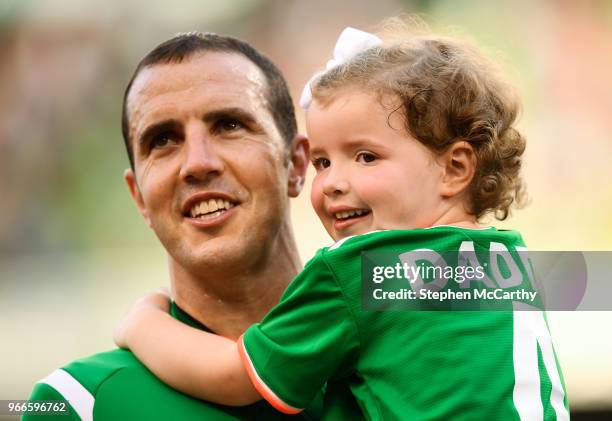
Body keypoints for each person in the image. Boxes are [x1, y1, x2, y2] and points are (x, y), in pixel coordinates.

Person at [114, 25, 571, 420]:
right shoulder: (509, 260)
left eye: (366, 157)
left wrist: (143, 325)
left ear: (454, 169)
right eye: (323, 163)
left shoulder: (364, 270)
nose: (333, 182)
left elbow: (239, 376)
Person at [25, 32, 361, 420]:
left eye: (229, 125)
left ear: (297, 164)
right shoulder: (77, 402)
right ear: (139, 198)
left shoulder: (400, 341)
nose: (198, 163)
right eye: (163, 139)